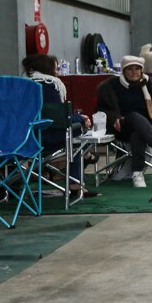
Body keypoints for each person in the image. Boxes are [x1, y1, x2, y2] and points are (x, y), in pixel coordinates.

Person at [22, 54, 96, 198]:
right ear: (47, 69)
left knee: (75, 133)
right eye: (56, 69)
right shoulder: (50, 85)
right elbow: (57, 118)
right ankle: (75, 183)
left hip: (21, 139)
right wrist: (81, 118)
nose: (58, 72)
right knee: (79, 134)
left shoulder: (22, 85)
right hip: (44, 137)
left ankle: (48, 173)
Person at [95, 56, 152, 189]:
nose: (134, 72)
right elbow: (102, 109)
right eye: (130, 69)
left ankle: (137, 174)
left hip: (147, 127)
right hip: (122, 125)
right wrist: (114, 118)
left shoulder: (147, 83)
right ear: (124, 71)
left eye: (137, 69)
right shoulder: (112, 85)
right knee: (134, 116)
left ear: (141, 70)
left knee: (137, 134)